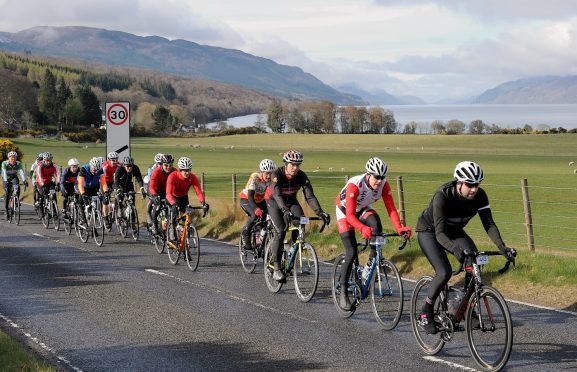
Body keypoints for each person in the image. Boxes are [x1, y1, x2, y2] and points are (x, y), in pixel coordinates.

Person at [416, 161, 516, 334]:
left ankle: (463, 307)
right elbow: (440, 234)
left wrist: (502, 246)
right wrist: (454, 249)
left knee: (474, 262)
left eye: (477, 184)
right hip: (430, 232)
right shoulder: (443, 195)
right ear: (459, 182)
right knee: (444, 272)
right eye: (470, 185)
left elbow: (489, 223)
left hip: (454, 231)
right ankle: (425, 311)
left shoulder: (480, 196)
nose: (474, 189)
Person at [335, 157, 412, 310]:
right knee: (351, 252)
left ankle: (370, 266)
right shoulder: (355, 185)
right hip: (345, 212)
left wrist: (399, 228)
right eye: (377, 177)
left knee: (376, 224)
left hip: (362, 207)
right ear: (368, 174)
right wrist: (362, 228)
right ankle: (343, 292)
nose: (379, 181)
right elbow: (350, 216)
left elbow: (391, 209)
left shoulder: (383, 185)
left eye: (382, 177)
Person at [265, 150, 330, 282]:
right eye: (292, 164)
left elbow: (310, 196)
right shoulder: (277, 174)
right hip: (275, 203)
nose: (295, 167)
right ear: (286, 163)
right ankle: (277, 267)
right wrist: (284, 210)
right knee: (281, 230)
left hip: (291, 201)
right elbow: (277, 194)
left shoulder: (301, 176)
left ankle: (292, 256)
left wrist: (320, 212)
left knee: (301, 224)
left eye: (298, 165)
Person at [166, 156, 209, 244]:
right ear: (180, 170)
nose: (187, 172)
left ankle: (186, 238)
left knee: (187, 218)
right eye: (184, 170)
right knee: (174, 214)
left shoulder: (192, 177)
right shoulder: (172, 176)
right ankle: (172, 229)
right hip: (172, 198)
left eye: (188, 170)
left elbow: (199, 192)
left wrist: (203, 203)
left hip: (184, 198)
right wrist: (173, 204)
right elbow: (168, 193)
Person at [239, 159, 277, 251]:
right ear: (261, 172)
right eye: (266, 173)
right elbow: (250, 197)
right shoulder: (255, 178)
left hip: (260, 200)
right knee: (255, 215)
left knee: (268, 217)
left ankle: (260, 239)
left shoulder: (273, 179)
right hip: (247, 199)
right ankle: (246, 232)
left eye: (270, 173)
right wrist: (256, 209)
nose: (268, 176)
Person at [76, 157, 108, 229]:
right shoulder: (83, 169)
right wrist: (83, 194)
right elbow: (80, 184)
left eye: (97, 170)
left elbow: (104, 183)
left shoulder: (100, 171)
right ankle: (83, 220)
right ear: (91, 166)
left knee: (96, 205)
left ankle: (93, 223)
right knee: (81, 202)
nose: (95, 172)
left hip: (94, 187)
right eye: (94, 169)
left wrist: (106, 192)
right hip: (84, 187)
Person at [147, 154, 174, 236]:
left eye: (170, 165)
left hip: (167, 191)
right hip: (155, 190)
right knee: (157, 205)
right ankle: (154, 225)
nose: (168, 167)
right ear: (162, 164)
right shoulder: (156, 171)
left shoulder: (174, 171)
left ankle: (172, 226)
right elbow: (151, 186)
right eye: (166, 165)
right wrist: (155, 196)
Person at [1, 151, 28, 219]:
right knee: (7, 193)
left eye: (14, 158)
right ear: (8, 158)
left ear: (16, 158)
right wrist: (6, 180)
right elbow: (4, 172)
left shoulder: (18, 163)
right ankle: (6, 210)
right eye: (11, 158)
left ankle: (15, 200)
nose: (13, 159)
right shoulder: (4, 163)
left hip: (14, 178)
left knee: (17, 186)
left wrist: (24, 180)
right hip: (6, 179)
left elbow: (21, 172)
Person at [35, 152, 61, 218]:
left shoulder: (54, 166)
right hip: (40, 183)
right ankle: (41, 211)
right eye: (47, 160)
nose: (48, 162)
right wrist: (42, 185)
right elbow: (39, 176)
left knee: (53, 194)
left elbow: (58, 174)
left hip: (49, 182)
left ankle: (54, 211)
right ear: (43, 160)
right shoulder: (39, 166)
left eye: (49, 160)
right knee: (42, 195)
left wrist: (58, 183)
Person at [101, 152, 119, 227]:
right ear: (109, 160)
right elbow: (102, 177)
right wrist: (106, 190)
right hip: (105, 181)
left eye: (116, 160)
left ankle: (114, 211)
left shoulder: (119, 165)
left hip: (113, 182)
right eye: (113, 160)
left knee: (118, 196)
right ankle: (105, 218)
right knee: (105, 199)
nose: (115, 162)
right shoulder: (105, 166)